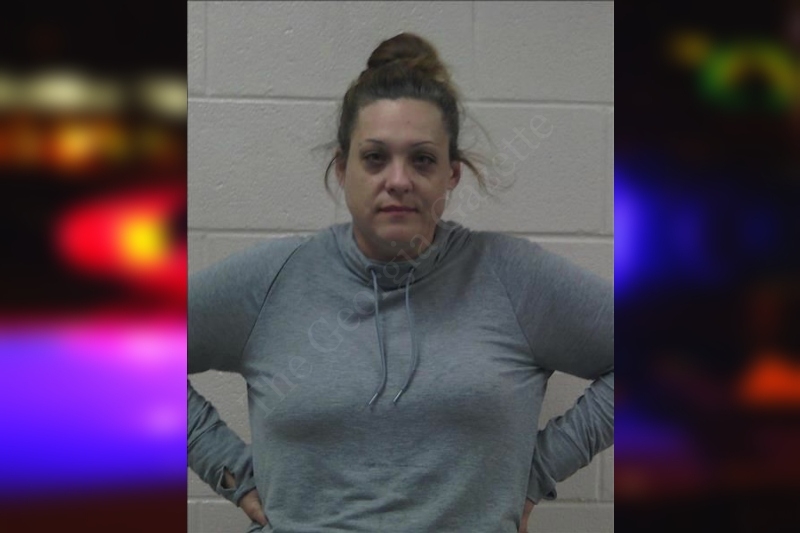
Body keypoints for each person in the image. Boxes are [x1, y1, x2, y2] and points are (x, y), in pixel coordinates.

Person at [188, 32, 613, 533]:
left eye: (422, 159)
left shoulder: (511, 277)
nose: (398, 180)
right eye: (375, 158)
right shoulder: (272, 280)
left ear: (452, 174)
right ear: (342, 168)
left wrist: (538, 472)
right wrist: (228, 468)